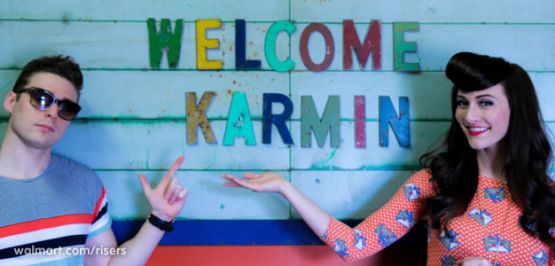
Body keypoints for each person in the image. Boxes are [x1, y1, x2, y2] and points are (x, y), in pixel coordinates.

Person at [223, 52, 555, 265]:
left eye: (485, 102)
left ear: (517, 109)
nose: (469, 115)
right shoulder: (435, 183)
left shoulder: (546, 195)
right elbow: (353, 245)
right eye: (462, 103)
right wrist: (284, 186)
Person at [0, 55, 188, 265]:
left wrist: (160, 217)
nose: (53, 112)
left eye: (66, 108)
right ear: (11, 101)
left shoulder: (84, 184)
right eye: (42, 99)